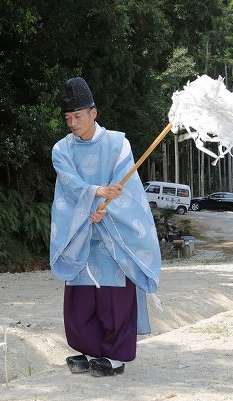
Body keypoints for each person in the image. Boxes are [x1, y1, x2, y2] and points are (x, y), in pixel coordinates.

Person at [49, 77, 161, 377]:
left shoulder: (117, 143)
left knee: (113, 297)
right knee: (81, 296)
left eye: (78, 116)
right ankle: (88, 350)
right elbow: (70, 186)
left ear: (93, 113)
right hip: (79, 230)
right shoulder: (61, 150)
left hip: (113, 231)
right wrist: (95, 196)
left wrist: (107, 210)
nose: (73, 123)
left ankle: (114, 356)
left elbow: (128, 189)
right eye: (68, 118)